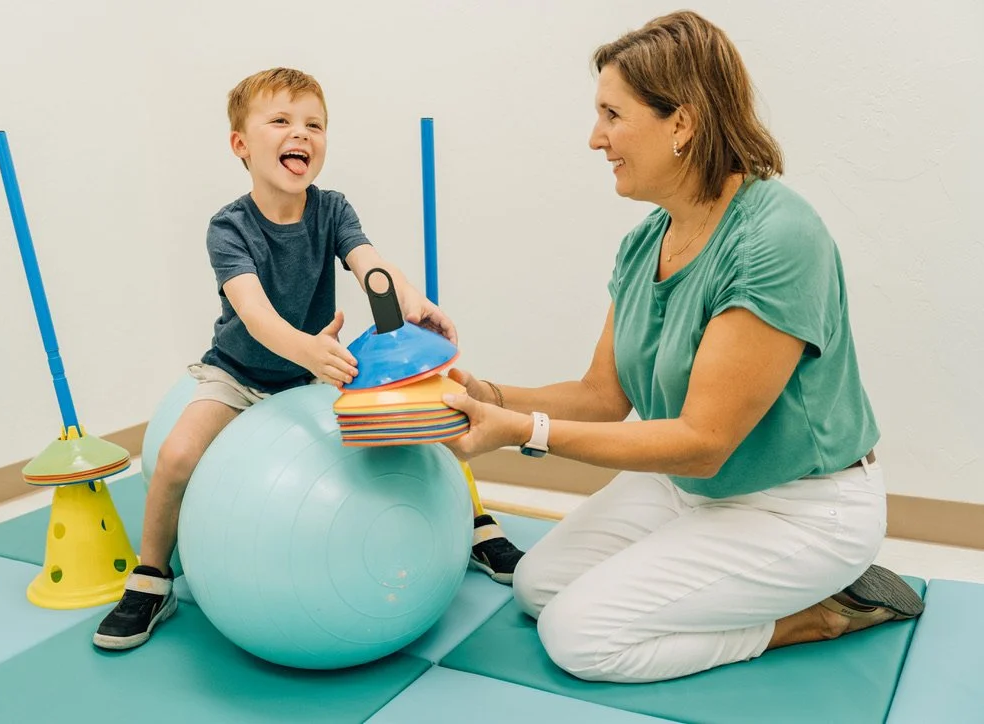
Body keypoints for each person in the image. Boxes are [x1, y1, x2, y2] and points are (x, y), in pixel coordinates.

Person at [441, 11, 924, 684]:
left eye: (612, 114)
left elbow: (705, 439)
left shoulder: (776, 239)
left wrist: (521, 432)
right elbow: (602, 397)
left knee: (579, 636)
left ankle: (815, 612)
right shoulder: (647, 241)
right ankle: (717, 573)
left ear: (682, 123)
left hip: (802, 506)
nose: (594, 138)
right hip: (690, 491)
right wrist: (482, 396)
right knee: (536, 588)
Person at [93, 67, 523, 651]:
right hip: (240, 374)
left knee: (418, 415)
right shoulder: (229, 227)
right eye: (281, 121)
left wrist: (410, 302)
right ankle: (151, 578)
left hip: (315, 370)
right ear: (241, 145)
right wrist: (310, 351)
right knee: (174, 456)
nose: (302, 134)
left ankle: (474, 525)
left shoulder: (331, 209)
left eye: (314, 124)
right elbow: (254, 314)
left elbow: (369, 265)